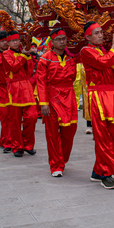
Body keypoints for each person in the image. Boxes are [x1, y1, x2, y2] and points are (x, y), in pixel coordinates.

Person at [80, 22, 114, 189]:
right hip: (98, 96)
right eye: (96, 33)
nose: (100, 35)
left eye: (101, 32)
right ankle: (106, 174)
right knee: (102, 137)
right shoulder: (86, 51)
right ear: (88, 37)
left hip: (112, 96)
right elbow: (103, 63)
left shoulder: (105, 52)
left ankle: (98, 171)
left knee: (111, 137)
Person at [36, 28, 78, 177]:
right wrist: (43, 102)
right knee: (52, 133)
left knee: (70, 131)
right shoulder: (45, 59)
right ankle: (55, 165)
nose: (62, 42)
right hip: (51, 97)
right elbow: (40, 81)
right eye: (58, 39)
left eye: (64, 39)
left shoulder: (71, 57)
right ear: (52, 42)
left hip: (69, 96)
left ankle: (63, 160)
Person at [2, 32, 38, 158]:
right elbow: (13, 67)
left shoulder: (24, 54)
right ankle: (17, 146)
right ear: (8, 43)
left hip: (26, 87)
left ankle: (28, 144)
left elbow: (30, 70)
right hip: (14, 88)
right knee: (15, 120)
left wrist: (29, 57)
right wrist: (23, 56)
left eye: (17, 40)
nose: (16, 43)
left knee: (32, 117)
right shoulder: (6, 54)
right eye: (13, 41)